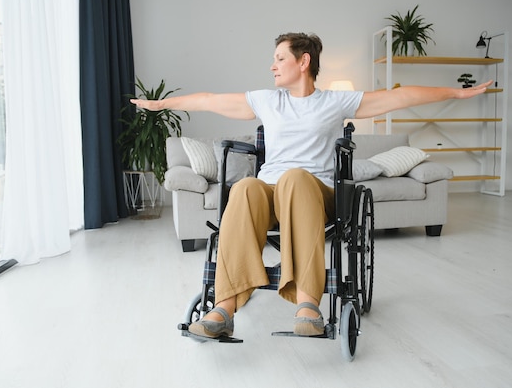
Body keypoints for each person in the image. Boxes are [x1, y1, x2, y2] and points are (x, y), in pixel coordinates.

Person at [131, 32, 491, 339]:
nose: (272, 66)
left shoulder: (335, 101)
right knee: (245, 188)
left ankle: (307, 304)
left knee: (295, 178)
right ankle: (224, 309)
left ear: (303, 62)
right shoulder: (266, 100)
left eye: (279, 58)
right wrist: (163, 104)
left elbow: (398, 97)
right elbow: (209, 100)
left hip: (315, 192)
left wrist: (456, 94)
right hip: (270, 194)